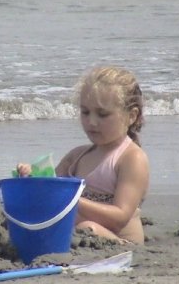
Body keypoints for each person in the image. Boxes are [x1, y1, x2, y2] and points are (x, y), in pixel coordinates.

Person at [17, 66, 149, 244]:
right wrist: (32, 176)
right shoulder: (77, 156)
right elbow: (51, 188)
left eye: (102, 114)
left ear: (131, 116)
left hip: (119, 241)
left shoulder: (131, 158)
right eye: (85, 112)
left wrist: (73, 200)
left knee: (88, 228)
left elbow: (120, 217)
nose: (91, 122)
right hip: (76, 235)